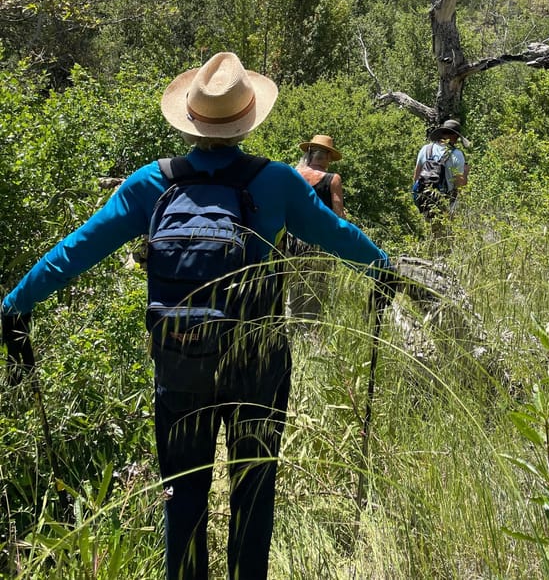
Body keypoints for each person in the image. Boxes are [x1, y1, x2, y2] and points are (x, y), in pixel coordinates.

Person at [1, 52, 388, 580]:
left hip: (180, 364)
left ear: (191, 117)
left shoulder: (149, 184)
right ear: (247, 118)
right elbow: (339, 236)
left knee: (184, 497)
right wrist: (382, 267)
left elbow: (76, 250)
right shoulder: (276, 182)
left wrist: (16, 304)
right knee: (253, 492)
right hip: (259, 366)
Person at [286, 134, 346, 322]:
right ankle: (311, 335)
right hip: (320, 242)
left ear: (310, 154)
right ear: (327, 157)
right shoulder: (332, 179)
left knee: (294, 287)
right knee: (317, 289)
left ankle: (291, 328)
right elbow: (338, 215)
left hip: (292, 240)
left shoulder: (294, 174)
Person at [412, 118, 470, 228]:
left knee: (430, 232)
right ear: (454, 136)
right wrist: (465, 172)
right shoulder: (457, 154)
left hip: (425, 201)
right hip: (445, 203)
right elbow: (460, 185)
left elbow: (416, 177)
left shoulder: (425, 149)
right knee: (446, 237)